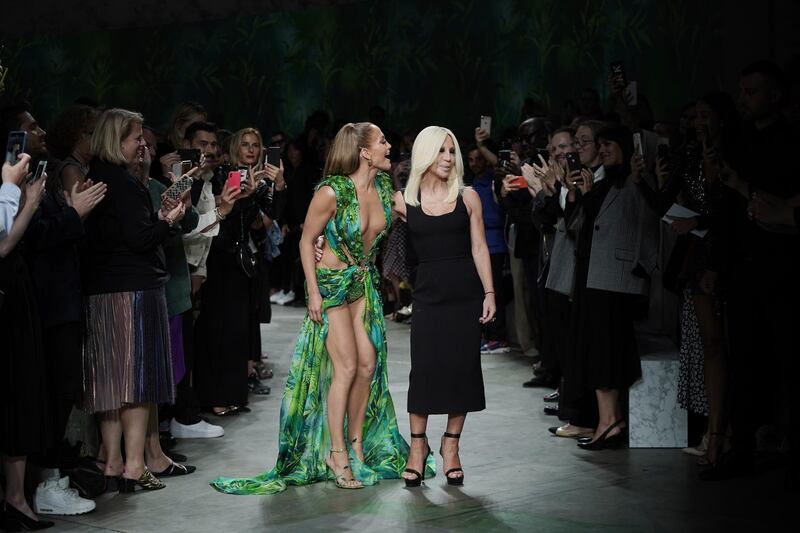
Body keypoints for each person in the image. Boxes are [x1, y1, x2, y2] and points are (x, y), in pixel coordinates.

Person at [211, 122, 417, 494]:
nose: (390, 146)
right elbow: (307, 240)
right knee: (347, 367)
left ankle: (355, 444)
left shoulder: (386, 187)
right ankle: (335, 453)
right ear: (365, 152)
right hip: (333, 286)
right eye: (383, 141)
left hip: (364, 285)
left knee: (368, 365)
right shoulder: (331, 191)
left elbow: (419, 214)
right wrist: (313, 293)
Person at [81, 108, 186, 491]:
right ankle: (134, 466)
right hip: (133, 290)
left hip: (101, 290)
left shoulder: (98, 177)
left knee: (110, 380)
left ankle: (112, 463)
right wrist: (168, 219)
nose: (143, 144)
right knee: (137, 381)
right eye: (136, 138)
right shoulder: (123, 183)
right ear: (116, 140)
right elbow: (141, 239)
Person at [392, 126, 496, 486]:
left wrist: (489, 293)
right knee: (424, 371)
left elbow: (479, 248)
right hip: (428, 297)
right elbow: (365, 230)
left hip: (465, 297)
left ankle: (451, 446)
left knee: (461, 370)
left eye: (452, 151)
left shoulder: (468, 198)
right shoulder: (403, 200)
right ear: (425, 155)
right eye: (441, 151)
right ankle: (417, 448)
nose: (449, 158)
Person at [564, 124, 658, 450]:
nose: (602, 150)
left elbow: (649, 223)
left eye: (608, 144)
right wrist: (582, 193)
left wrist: (644, 268)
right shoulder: (607, 183)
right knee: (598, 349)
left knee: (607, 352)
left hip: (617, 279)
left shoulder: (635, 180)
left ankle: (609, 422)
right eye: (600, 145)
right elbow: (584, 224)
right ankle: (610, 420)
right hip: (596, 278)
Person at [193, 127, 284, 416]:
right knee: (220, 330)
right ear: (235, 148)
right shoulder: (223, 176)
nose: (251, 150)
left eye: (255, 145)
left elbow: (269, 217)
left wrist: (278, 185)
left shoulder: (257, 182)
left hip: (241, 261)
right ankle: (217, 398)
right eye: (245, 144)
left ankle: (232, 395)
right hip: (220, 259)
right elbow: (224, 220)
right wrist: (244, 196)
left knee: (238, 331)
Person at [0, 153, 56, 530]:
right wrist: (28, 200)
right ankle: (15, 499)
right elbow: (2, 245)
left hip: (15, 292)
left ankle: (16, 497)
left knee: (17, 396)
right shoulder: (7, 183)